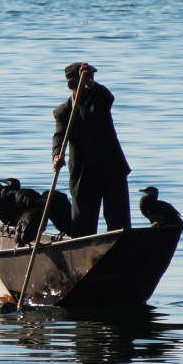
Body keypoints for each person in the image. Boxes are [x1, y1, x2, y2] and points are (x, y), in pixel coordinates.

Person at [52, 63, 131, 237]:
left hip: (111, 171)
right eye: (84, 81)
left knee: (119, 224)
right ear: (72, 85)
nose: (89, 84)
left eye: (91, 79)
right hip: (83, 176)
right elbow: (59, 136)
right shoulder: (63, 112)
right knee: (82, 229)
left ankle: (120, 256)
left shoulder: (99, 102)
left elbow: (108, 99)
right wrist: (57, 156)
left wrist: (90, 85)